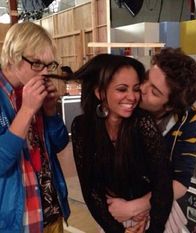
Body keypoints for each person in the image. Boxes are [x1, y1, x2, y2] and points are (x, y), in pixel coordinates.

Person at [71, 53, 173, 233]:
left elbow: (162, 186)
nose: (132, 97)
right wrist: (116, 231)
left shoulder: (143, 123)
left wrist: (153, 229)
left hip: (156, 217)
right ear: (100, 92)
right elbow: (91, 190)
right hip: (113, 220)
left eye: (135, 89)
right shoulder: (82, 127)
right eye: (122, 89)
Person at [106, 47, 196, 232]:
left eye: (155, 92)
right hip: (117, 201)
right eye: (146, 78)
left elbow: (181, 181)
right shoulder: (126, 103)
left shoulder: (187, 118)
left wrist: (138, 207)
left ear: (171, 106)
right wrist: (125, 208)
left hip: (160, 205)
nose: (141, 89)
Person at [0, 22, 70, 233]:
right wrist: (27, 110)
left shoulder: (31, 90)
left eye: (50, 65)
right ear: (14, 56)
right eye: (38, 64)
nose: (45, 73)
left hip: (50, 211)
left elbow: (59, 144)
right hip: (15, 220)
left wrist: (50, 111)